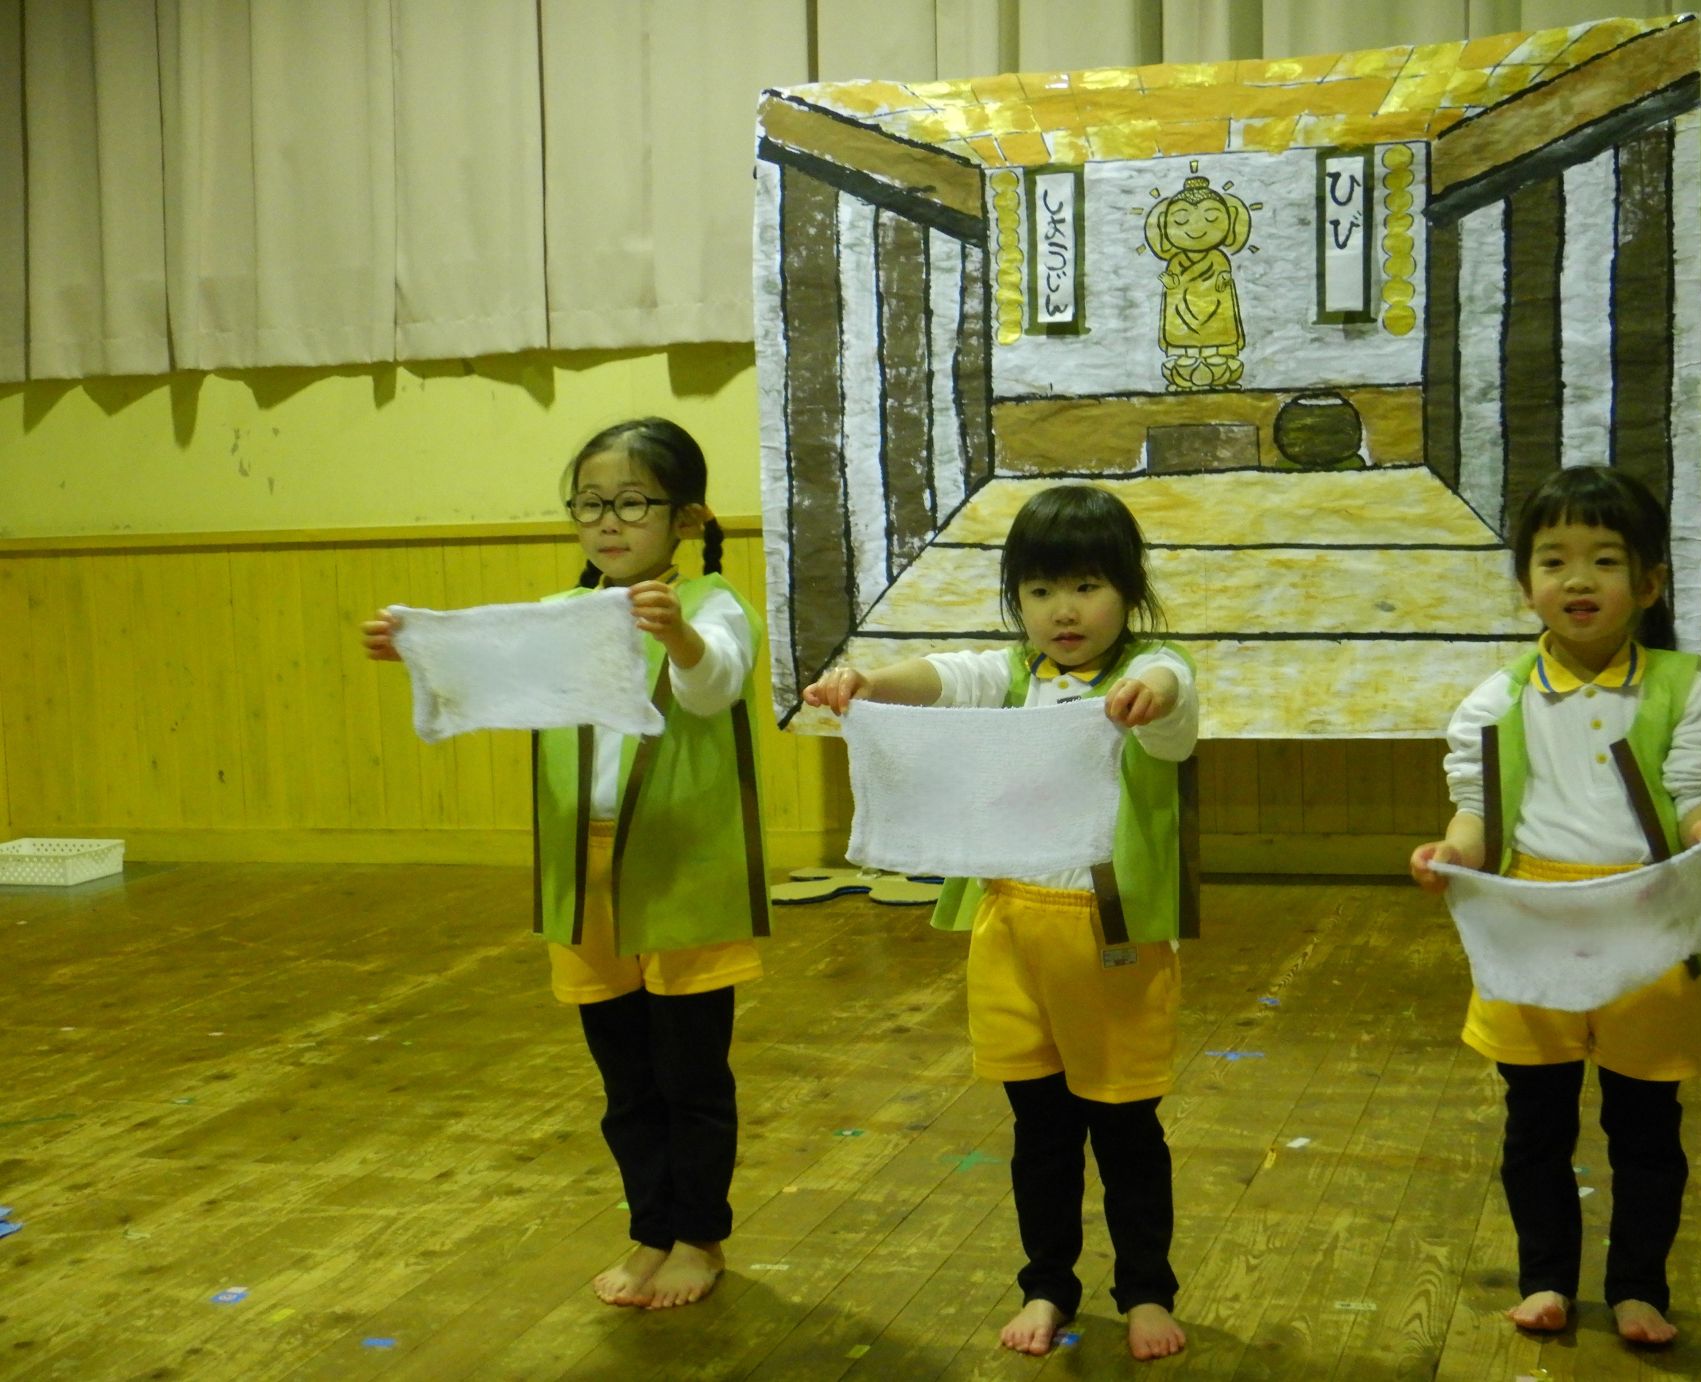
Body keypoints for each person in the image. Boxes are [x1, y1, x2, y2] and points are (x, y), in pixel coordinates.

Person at [362, 418, 769, 1311]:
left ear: (687, 519)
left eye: (632, 502)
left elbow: (713, 685)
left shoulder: (711, 606)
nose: (608, 522)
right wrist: (417, 650)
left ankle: (699, 1236)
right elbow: (485, 673)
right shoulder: (559, 614)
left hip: (682, 870)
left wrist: (679, 637)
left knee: (691, 1075)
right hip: (583, 879)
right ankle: (650, 1228)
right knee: (625, 1080)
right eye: (589, 504)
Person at [804, 484, 1198, 1362]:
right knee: (1039, 1131)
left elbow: (1171, 696)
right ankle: (1046, 1284)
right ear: (1017, 599)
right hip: (1010, 930)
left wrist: (1152, 694)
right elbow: (943, 676)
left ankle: (1145, 1290)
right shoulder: (1013, 674)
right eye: (1040, 590)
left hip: (1113, 938)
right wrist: (867, 682)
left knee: (1125, 1130)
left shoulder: (1153, 669)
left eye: (1088, 586)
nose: (1064, 611)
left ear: (1129, 590)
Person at [1409, 465, 1701, 1346]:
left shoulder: (1683, 688)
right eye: (1553, 561)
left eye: (1604, 559)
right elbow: (1475, 811)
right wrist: (1451, 855)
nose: (1577, 579)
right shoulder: (1494, 698)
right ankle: (1545, 1279)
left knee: (1646, 1127)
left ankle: (1638, 1288)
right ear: (1526, 586)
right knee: (1534, 1125)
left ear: (1649, 584)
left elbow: (1697, 792)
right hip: (1531, 925)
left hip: (1647, 925)